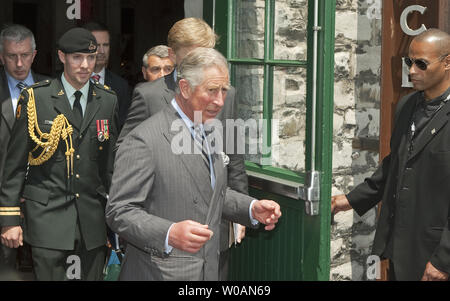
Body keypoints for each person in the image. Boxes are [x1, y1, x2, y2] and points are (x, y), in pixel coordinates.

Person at [105, 47, 281, 281]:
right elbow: (119, 211)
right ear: (185, 88)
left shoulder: (209, 128)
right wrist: (169, 233)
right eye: (211, 90)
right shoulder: (144, 139)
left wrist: (250, 208)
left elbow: (208, 193)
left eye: (223, 90)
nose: (219, 101)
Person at [117, 17, 248, 280]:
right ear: (172, 54)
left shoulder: (227, 94)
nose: (203, 60)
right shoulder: (149, 95)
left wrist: (242, 212)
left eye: (208, 52)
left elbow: (233, 155)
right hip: (165, 236)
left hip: (214, 230)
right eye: (193, 54)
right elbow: (126, 153)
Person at [0, 27, 119, 281]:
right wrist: (9, 219)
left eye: (91, 58)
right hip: (48, 221)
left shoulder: (108, 100)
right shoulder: (36, 98)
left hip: (92, 223)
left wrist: (117, 218)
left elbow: (110, 167)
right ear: (62, 57)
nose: (86, 65)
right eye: (77, 58)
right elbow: (15, 166)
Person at [332, 28, 450, 281]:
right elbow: (395, 165)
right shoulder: (407, 105)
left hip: (437, 256)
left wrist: (444, 261)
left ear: (447, 62)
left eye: (421, 64)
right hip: (400, 250)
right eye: (409, 62)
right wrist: (350, 200)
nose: (412, 71)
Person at [0, 24, 49, 278]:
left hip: (45, 204)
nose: (19, 63)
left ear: (35, 54)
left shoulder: (53, 90)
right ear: (1, 56)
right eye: (11, 56)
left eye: (25, 55)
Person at [82, 22, 131, 128]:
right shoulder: (70, 81)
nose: (102, 51)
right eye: (96, 46)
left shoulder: (121, 86)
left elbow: (123, 128)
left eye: (105, 45)